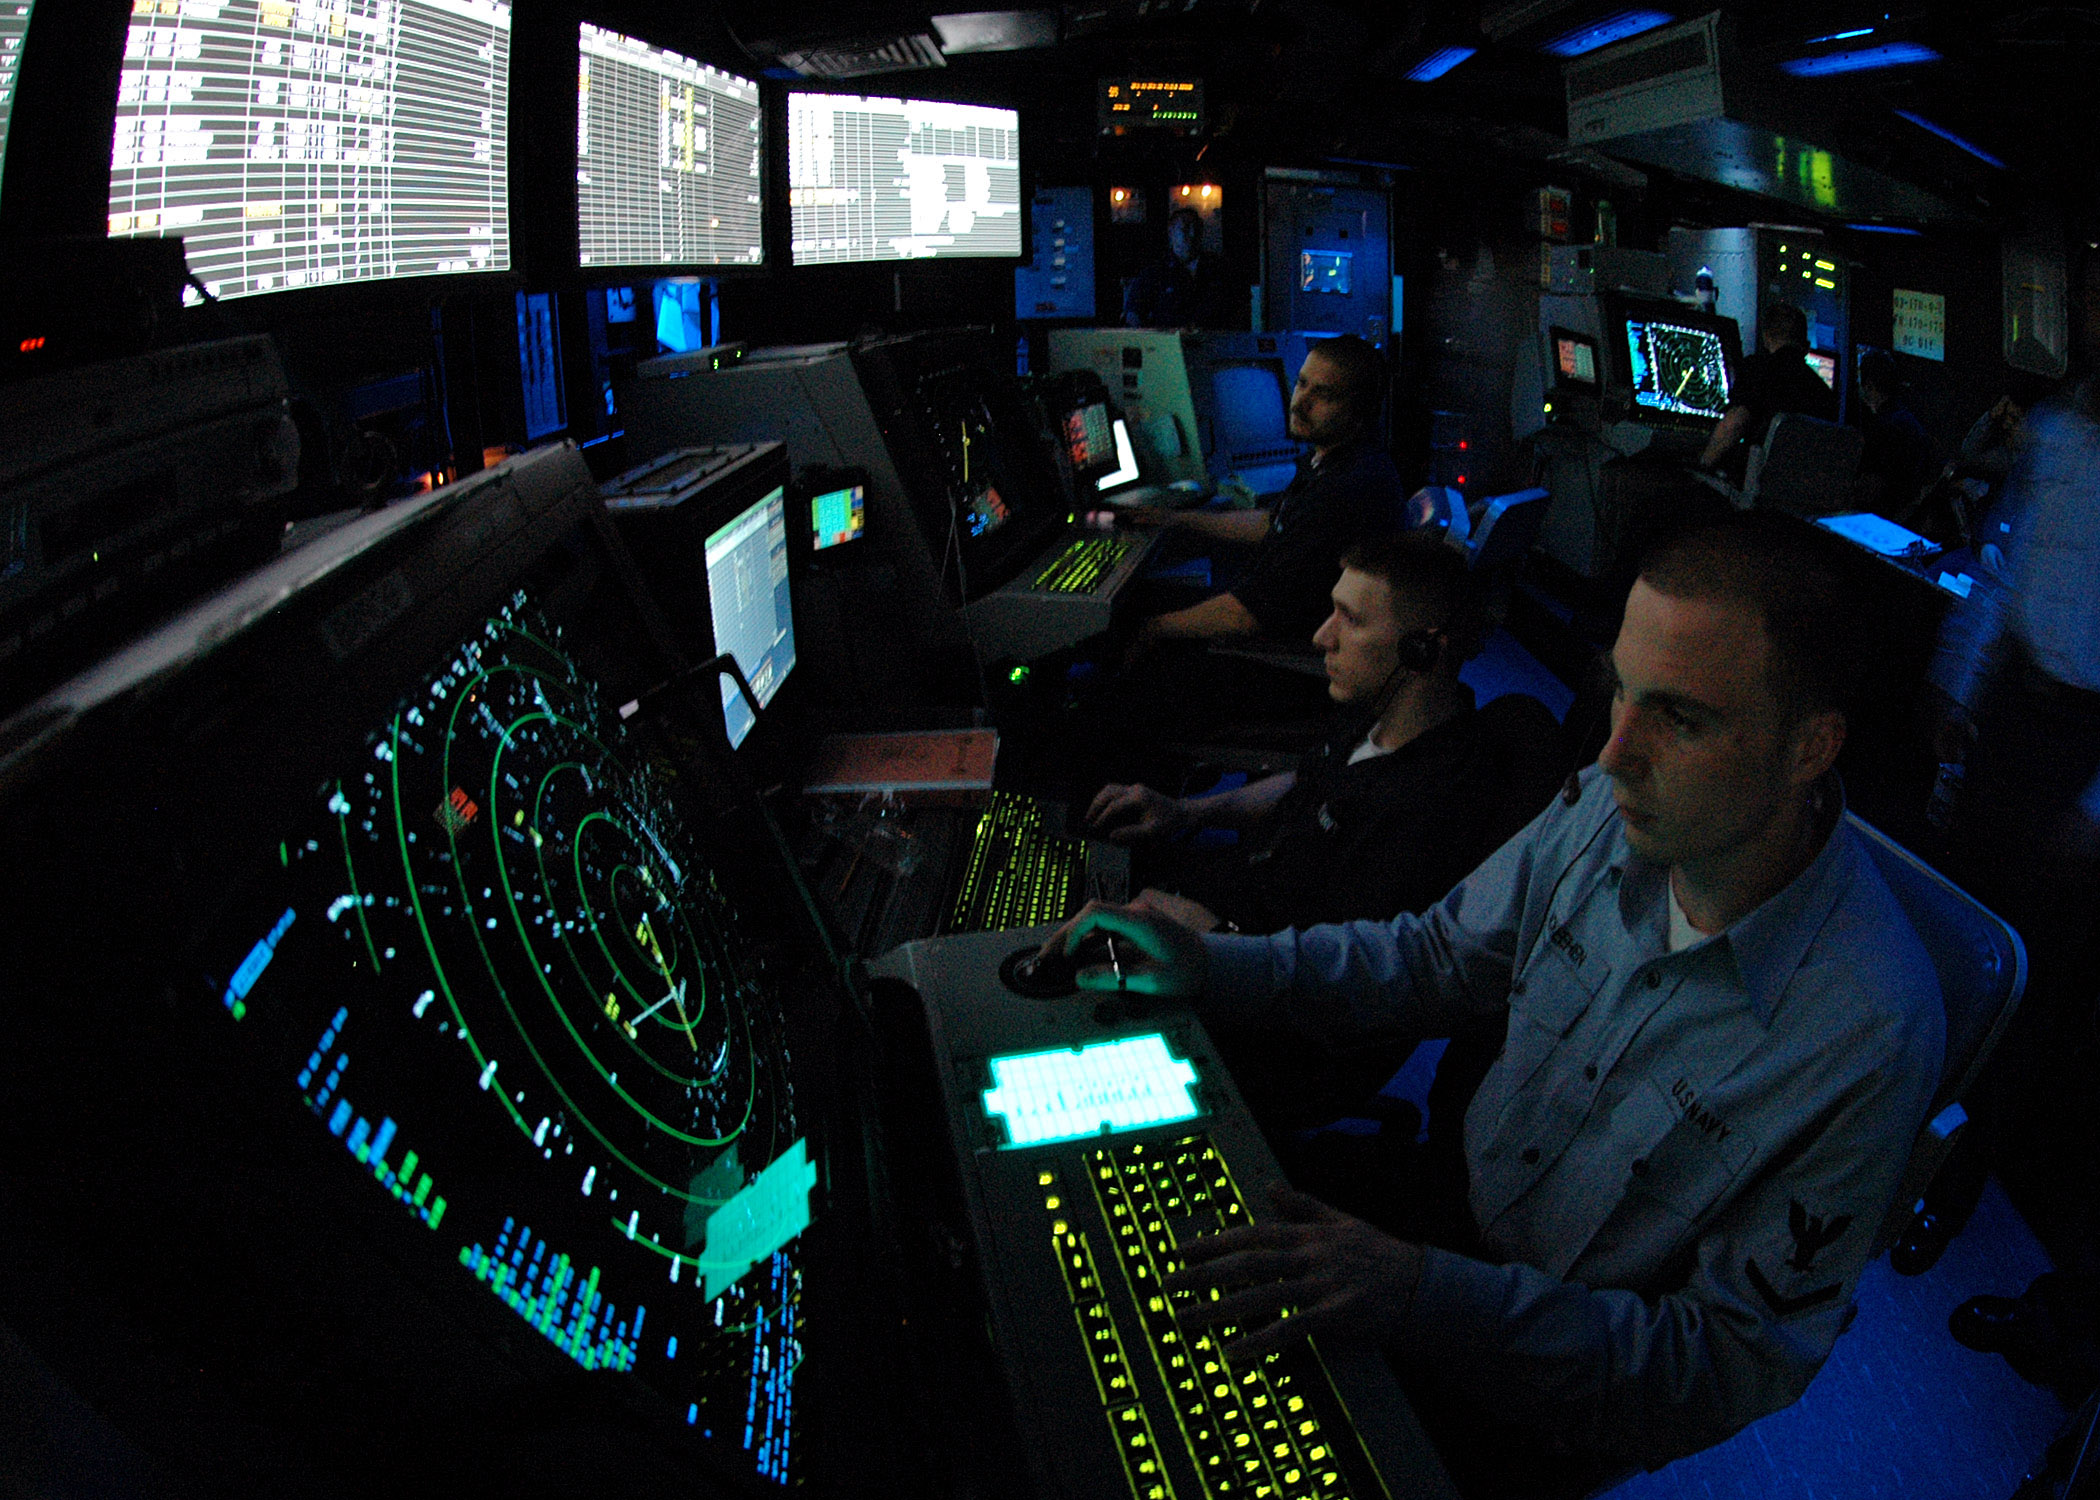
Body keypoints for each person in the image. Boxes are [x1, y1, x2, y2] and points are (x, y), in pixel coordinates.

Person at [1044, 513, 1944, 1487]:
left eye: (1679, 717)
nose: (1612, 756)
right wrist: (1217, 966)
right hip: (1438, 1213)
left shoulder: (1868, 1031)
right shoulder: (1605, 815)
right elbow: (1435, 956)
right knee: (1119, 1281)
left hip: (1542, 1377)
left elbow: (1718, 1368)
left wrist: (1421, 1297)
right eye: (1618, 693)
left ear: (1811, 748)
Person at [1085, 532, 1559, 936]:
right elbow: (1304, 783)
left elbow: (1332, 970)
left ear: (1422, 651)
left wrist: (1211, 938)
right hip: (1231, 886)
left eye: (1350, 619)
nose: (1321, 637)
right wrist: (1186, 812)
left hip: (1239, 958)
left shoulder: (1429, 802)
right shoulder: (1372, 712)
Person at [1122, 334, 1405, 664]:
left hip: (1286, 651)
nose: (1300, 402)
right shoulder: (1333, 460)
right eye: (1301, 384)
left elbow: (1249, 615)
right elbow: (1274, 522)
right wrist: (1175, 519)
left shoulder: (1343, 491)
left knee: (1138, 618)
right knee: (1149, 597)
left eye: (1323, 394)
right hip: (1269, 614)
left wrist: (1155, 628)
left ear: (1359, 412)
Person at [1698, 302, 1839, 473]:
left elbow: (1734, 425)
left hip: (1754, 488)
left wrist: (1703, 464)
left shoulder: (1757, 368)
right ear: (1806, 346)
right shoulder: (1826, 396)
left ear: (1766, 337)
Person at [1853, 348, 1939, 522]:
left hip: (1885, 519)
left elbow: (1873, 488)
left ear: (1869, 386)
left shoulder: (1882, 429)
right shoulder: (1907, 420)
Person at [1122, 206, 1237, 329]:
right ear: (1171, 232)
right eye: (1185, 228)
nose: (1192, 234)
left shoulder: (1220, 268)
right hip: (1169, 345)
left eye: (1196, 229)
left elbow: (1237, 310)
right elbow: (1134, 314)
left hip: (1213, 343)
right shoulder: (1155, 272)